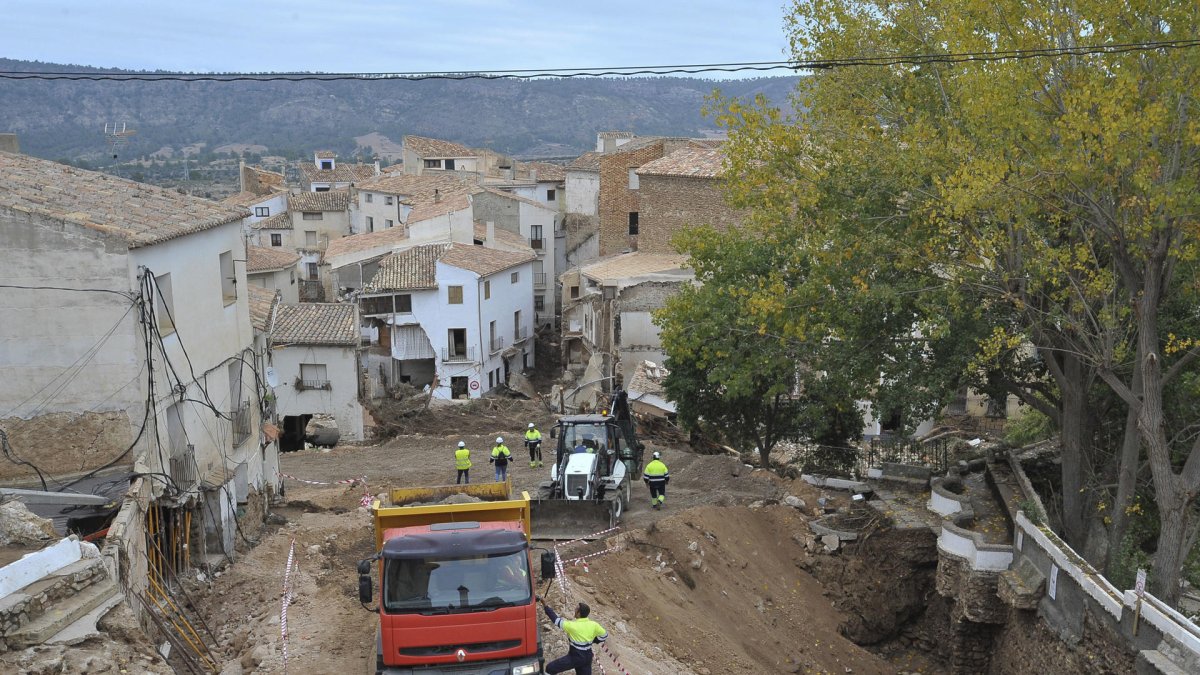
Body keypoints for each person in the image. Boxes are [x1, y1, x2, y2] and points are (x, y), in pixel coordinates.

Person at [539, 597, 607, 675]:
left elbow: (555, 620)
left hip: (576, 657)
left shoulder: (572, 626)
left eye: (576, 609)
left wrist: (545, 605)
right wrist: (594, 640)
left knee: (550, 668)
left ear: (579, 613)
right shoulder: (594, 624)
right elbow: (604, 636)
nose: (574, 610)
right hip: (588, 657)